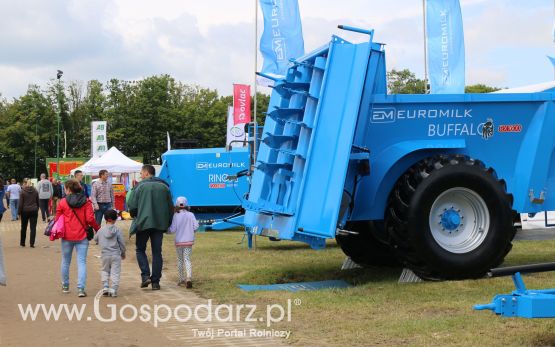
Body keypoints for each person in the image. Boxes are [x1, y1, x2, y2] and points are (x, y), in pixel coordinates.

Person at [128, 164, 173, 291]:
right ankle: (156, 282)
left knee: (140, 249)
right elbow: (171, 208)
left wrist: (136, 215)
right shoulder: (165, 187)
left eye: (141, 173)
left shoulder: (139, 187)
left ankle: (145, 275)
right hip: (159, 224)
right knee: (157, 252)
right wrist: (167, 223)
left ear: (147, 173)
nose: (141, 176)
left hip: (143, 223)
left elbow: (132, 205)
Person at [55, 179, 100, 297]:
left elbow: (57, 219)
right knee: (81, 262)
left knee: (65, 261)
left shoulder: (63, 202)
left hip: (67, 236)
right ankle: (81, 289)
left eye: (65, 188)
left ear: (69, 189)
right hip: (82, 235)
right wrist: (97, 228)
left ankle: (65, 286)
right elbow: (90, 219)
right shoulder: (86, 202)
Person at [168, 196, 198, 289]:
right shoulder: (191, 215)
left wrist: (166, 230)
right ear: (186, 205)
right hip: (189, 241)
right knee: (187, 259)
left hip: (179, 242)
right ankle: (188, 278)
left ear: (176, 205)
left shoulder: (175, 215)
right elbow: (196, 227)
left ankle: (181, 279)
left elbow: (172, 229)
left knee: (180, 260)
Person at [94, 209, 126, 297]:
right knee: (115, 272)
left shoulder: (101, 230)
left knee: (105, 270)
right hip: (116, 254)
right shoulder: (117, 230)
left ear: (106, 218)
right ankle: (113, 289)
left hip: (105, 255)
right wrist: (123, 253)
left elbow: (95, 238)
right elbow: (122, 243)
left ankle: (105, 286)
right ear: (115, 219)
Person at [18, 179, 39, 248]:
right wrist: (37, 208)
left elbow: (20, 204)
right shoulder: (35, 191)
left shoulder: (22, 192)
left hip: (24, 211)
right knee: (33, 227)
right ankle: (32, 243)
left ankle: (22, 243)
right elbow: (37, 201)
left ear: (25, 184)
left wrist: (19, 212)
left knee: (23, 227)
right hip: (34, 210)